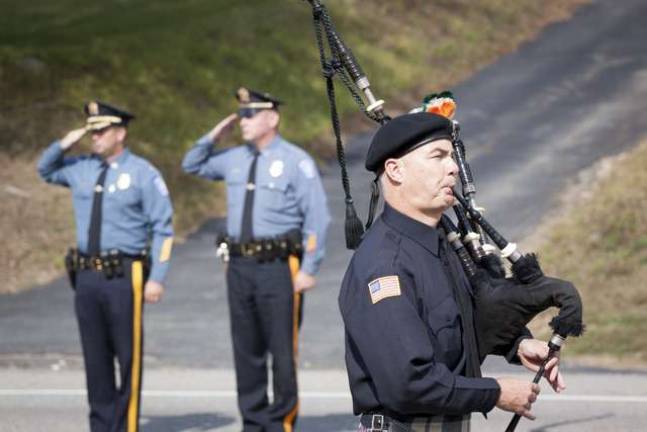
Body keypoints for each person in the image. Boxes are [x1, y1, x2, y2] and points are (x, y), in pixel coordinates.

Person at [338, 112, 565, 431]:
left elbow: (465, 317)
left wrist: (517, 345)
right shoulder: (385, 265)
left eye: (451, 156)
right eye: (438, 156)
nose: (453, 167)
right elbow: (409, 383)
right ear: (395, 170)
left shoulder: (442, 247)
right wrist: (495, 392)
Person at [182, 87, 331, 432]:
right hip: (238, 266)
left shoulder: (296, 161)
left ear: (272, 118)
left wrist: (310, 267)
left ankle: (280, 423)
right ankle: (254, 421)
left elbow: (318, 218)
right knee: (246, 349)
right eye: (241, 115)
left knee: (281, 350)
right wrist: (214, 135)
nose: (243, 121)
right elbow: (192, 163)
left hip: (279, 266)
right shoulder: (234, 157)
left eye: (250, 114)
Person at [37, 101, 174, 432]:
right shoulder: (81, 167)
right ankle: (101, 426)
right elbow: (45, 168)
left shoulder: (143, 172)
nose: (94, 137)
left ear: (120, 133)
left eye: (101, 131)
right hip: (86, 276)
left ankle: (126, 426)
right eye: (91, 131)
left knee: (127, 356)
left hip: (125, 274)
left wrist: (157, 276)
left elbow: (164, 228)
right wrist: (69, 140)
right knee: (95, 358)